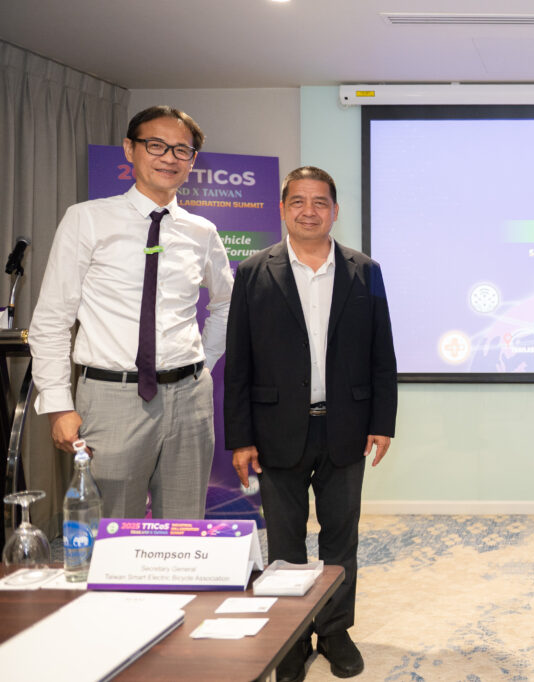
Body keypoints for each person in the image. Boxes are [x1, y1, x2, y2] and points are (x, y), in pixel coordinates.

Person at [224, 166, 397, 681]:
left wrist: (382, 421)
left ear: (335, 211)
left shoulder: (365, 270)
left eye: (320, 202)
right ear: (283, 209)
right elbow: (238, 362)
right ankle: (292, 638)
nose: (309, 211)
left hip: (346, 426)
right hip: (276, 430)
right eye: (297, 201)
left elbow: (382, 354)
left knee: (342, 539)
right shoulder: (253, 272)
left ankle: (335, 631)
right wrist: (240, 437)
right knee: (286, 543)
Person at [29, 105, 232, 519]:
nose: (169, 158)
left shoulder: (202, 232)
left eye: (182, 150)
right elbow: (51, 320)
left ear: (192, 161)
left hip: (190, 401)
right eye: (156, 145)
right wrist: (58, 405)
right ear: (129, 149)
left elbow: (226, 303)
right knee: (112, 529)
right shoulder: (86, 220)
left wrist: (204, 365)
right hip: (111, 399)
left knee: (184, 529)